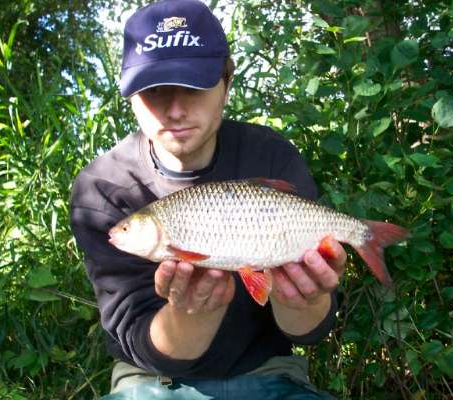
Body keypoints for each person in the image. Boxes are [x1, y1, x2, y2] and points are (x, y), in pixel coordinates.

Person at [70, 0, 346, 398]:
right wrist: (190, 315)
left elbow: (309, 331)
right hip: (152, 380)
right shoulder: (103, 187)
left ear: (226, 83)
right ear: (130, 94)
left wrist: (304, 298)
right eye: (155, 90)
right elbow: (140, 342)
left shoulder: (271, 155)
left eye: (194, 85)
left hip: (269, 371)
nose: (176, 110)